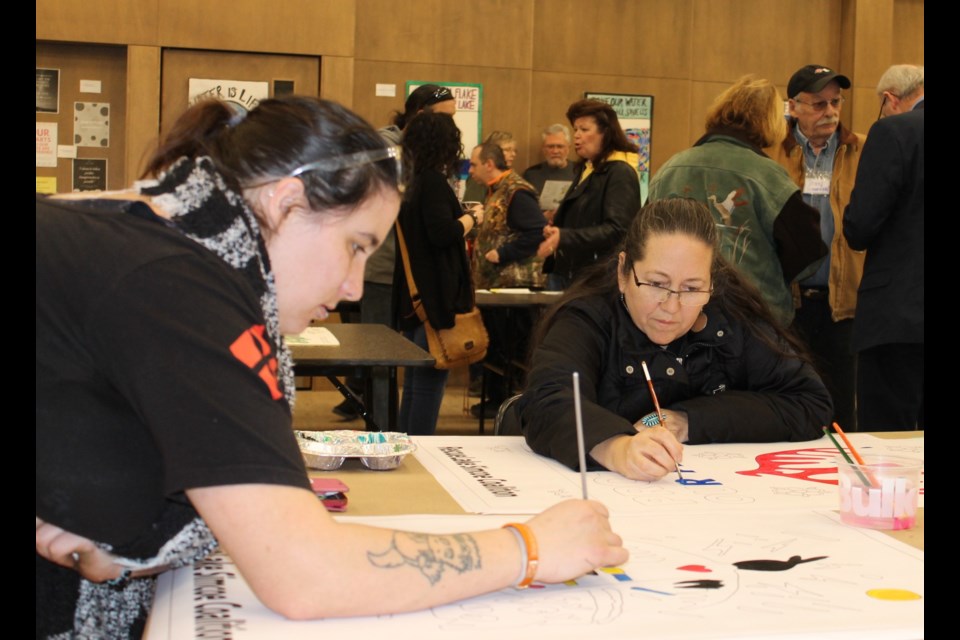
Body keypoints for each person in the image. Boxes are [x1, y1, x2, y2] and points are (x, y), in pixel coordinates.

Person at [35, 96, 628, 639]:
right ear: (286, 201)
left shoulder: (138, 229)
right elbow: (304, 573)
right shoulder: (184, 285)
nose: (350, 287)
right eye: (355, 244)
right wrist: (527, 547)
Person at [517, 198, 832, 480]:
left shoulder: (732, 320)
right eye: (656, 283)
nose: (671, 307)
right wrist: (617, 448)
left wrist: (687, 420)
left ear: (711, 283)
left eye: (693, 288)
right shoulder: (587, 318)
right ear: (623, 272)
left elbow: (809, 402)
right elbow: (546, 401)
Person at [648, 75, 827, 327]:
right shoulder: (769, 177)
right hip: (752, 319)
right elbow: (809, 252)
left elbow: (644, 242)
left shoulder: (670, 169)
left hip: (678, 316)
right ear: (771, 121)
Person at [335, 84, 459, 420]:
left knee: (418, 363)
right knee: (380, 360)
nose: (451, 127)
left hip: (416, 276)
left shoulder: (427, 160)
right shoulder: (381, 149)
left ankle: (398, 433)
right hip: (384, 271)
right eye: (444, 119)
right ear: (420, 116)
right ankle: (380, 431)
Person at [766, 64, 866, 431]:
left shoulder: (862, 151)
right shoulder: (772, 153)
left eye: (835, 102)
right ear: (793, 107)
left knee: (843, 407)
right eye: (819, 103)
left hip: (844, 302)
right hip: (787, 301)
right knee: (791, 401)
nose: (830, 111)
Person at [394, 112, 483, 434]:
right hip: (435, 297)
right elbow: (442, 233)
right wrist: (472, 218)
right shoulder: (432, 182)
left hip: (417, 295)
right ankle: (420, 449)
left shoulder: (410, 182)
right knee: (430, 384)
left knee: (417, 384)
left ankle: (407, 444)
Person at [843, 93, 924, 431]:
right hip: (902, 312)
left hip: (898, 315)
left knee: (888, 447)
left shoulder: (895, 132)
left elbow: (860, 226)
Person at [467, 141, 546, 419]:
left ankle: (510, 402)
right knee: (496, 347)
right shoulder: (496, 191)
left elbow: (536, 231)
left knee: (511, 349)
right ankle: (497, 399)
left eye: (474, 164)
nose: (471, 170)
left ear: (490, 164)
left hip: (513, 288)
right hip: (495, 287)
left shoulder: (517, 191)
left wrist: (502, 253)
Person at [537, 99, 642, 291]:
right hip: (570, 271)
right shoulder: (587, 168)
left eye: (584, 130)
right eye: (575, 129)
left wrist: (565, 236)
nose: (576, 136)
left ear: (605, 133)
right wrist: (559, 226)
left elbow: (619, 230)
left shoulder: (620, 172)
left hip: (596, 278)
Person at [522, 123, 576, 223]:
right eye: (550, 147)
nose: (555, 151)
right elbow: (523, 211)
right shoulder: (531, 175)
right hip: (539, 230)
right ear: (543, 149)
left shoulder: (580, 172)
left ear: (568, 148)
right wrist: (542, 217)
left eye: (560, 146)